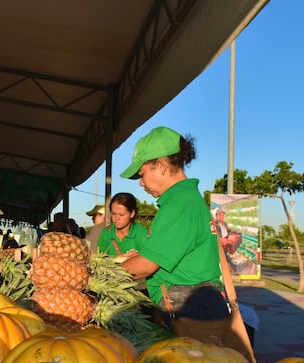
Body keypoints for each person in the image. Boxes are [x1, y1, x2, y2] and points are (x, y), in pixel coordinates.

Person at [119, 127, 228, 321]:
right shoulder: (188, 199)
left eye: (142, 174)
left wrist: (100, 275)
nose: (140, 183)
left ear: (161, 166)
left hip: (189, 307)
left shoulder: (179, 204)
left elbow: (146, 266)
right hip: (198, 303)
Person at [97, 192, 148, 257]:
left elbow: (149, 261)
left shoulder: (142, 233)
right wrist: (118, 259)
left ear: (132, 213)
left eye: (121, 215)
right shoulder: (106, 233)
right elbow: (98, 260)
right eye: (113, 214)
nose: (116, 218)